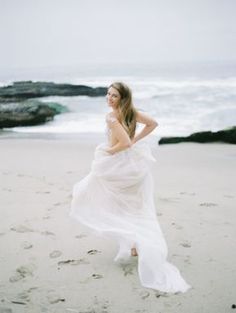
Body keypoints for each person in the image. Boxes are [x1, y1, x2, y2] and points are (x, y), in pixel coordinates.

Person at [69, 81, 191, 293]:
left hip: (120, 166)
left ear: (122, 98)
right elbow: (153, 124)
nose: (109, 98)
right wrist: (135, 139)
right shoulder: (131, 112)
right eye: (108, 94)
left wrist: (110, 152)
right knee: (133, 206)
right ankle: (135, 244)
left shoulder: (112, 117)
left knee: (92, 195)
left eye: (114, 96)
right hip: (133, 165)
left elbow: (124, 143)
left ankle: (133, 242)